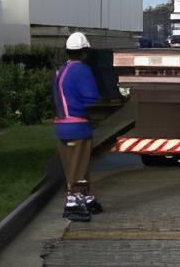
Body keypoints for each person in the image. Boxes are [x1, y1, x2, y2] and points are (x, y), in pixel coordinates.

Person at [54, 32, 102, 221]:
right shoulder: (82, 70)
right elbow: (92, 97)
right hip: (78, 127)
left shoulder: (61, 70)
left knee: (72, 165)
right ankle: (73, 200)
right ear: (84, 52)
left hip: (61, 126)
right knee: (79, 165)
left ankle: (84, 196)